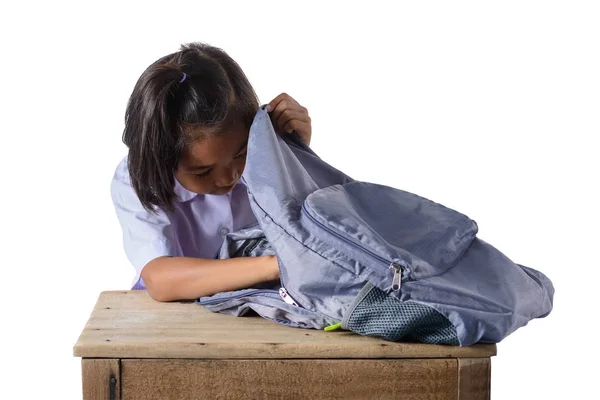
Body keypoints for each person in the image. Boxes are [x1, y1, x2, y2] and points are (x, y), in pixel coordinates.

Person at [111, 42, 312, 302]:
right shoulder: (136, 178)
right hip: (176, 316)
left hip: (263, 308)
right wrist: (278, 264)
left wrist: (295, 153)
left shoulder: (266, 153)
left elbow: (309, 225)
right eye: (203, 171)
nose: (229, 177)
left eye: (241, 154)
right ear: (162, 161)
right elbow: (161, 280)